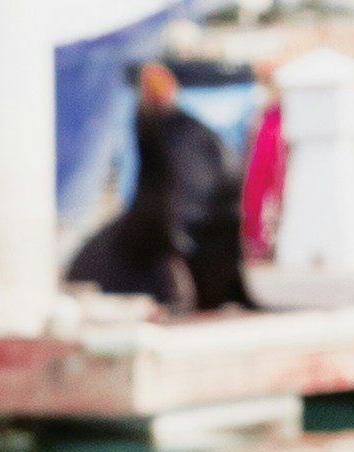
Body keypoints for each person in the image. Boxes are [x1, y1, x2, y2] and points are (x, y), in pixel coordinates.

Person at [65, 63, 247, 314]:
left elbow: (186, 195)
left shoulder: (179, 135)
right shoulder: (178, 133)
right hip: (184, 232)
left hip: (187, 233)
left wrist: (176, 240)